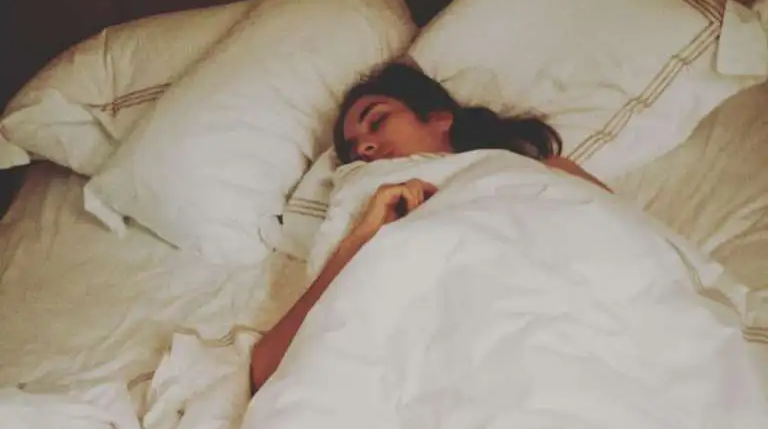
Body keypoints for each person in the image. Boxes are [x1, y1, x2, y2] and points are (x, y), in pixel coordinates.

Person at [250, 62, 611, 392]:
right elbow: (266, 369)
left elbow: (623, 251)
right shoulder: (363, 211)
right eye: (353, 149)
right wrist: (359, 240)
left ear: (439, 118)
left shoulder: (546, 174)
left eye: (377, 121)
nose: (365, 147)